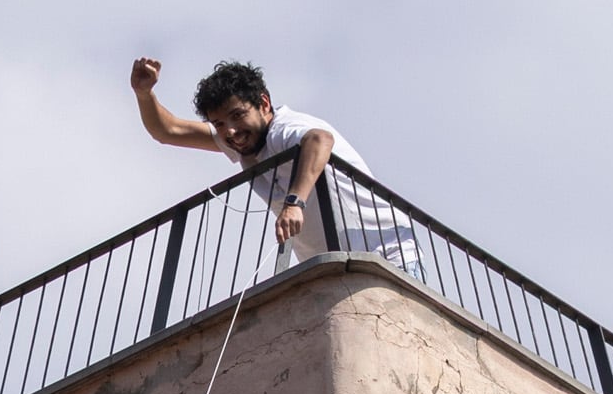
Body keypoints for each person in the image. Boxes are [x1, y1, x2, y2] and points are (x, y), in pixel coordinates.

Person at [126, 58, 409, 267]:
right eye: (219, 123)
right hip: (329, 266)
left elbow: (319, 140)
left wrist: (294, 204)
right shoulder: (240, 140)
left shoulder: (285, 128)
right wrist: (144, 94)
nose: (231, 132)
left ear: (263, 104)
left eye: (238, 116)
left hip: (387, 256)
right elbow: (168, 131)